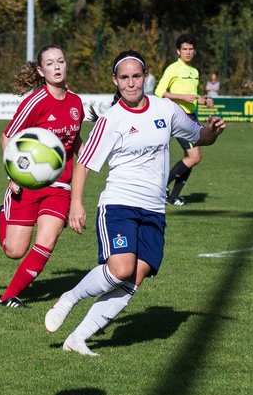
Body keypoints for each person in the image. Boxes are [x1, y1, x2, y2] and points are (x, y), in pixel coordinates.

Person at [43, 50, 226, 355]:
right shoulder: (111, 120)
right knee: (120, 268)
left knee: (136, 276)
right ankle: (71, 297)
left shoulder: (165, 110)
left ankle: (77, 339)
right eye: (124, 78)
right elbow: (83, 163)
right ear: (116, 81)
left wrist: (213, 132)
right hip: (119, 204)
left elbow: (198, 137)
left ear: (145, 77)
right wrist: (76, 204)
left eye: (136, 77)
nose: (131, 84)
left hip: (154, 209)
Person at [0, 46, 85, 309]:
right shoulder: (34, 102)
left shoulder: (76, 102)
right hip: (29, 184)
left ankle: (8, 296)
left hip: (59, 185)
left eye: (60, 61)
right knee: (14, 251)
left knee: (46, 242)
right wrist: (14, 174)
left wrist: (90, 154)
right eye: (50, 63)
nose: (56, 67)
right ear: (40, 70)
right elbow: (7, 136)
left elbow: (74, 140)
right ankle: (1, 215)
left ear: (66, 65)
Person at [154, 33, 213, 205]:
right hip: (178, 117)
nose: (188, 52)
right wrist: (182, 97)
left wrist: (202, 100)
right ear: (178, 51)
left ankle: (173, 197)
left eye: (191, 49)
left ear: (195, 52)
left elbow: (192, 97)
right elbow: (159, 92)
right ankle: (162, 187)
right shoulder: (173, 69)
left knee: (190, 158)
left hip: (191, 117)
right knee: (194, 157)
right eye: (184, 49)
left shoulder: (194, 71)